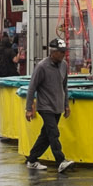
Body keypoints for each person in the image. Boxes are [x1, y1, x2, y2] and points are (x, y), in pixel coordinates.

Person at [24, 38, 73, 173]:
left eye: (64, 52)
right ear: (52, 52)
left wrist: (66, 105)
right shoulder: (41, 67)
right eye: (61, 52)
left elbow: (64, 86)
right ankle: (61, 161)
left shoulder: (64, 65)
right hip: (45, 107)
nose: (63, 55)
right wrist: (29, 108)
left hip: (57, 106)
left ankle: (32, 159)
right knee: (53, 133)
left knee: (45, 135)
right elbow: (31, 88)